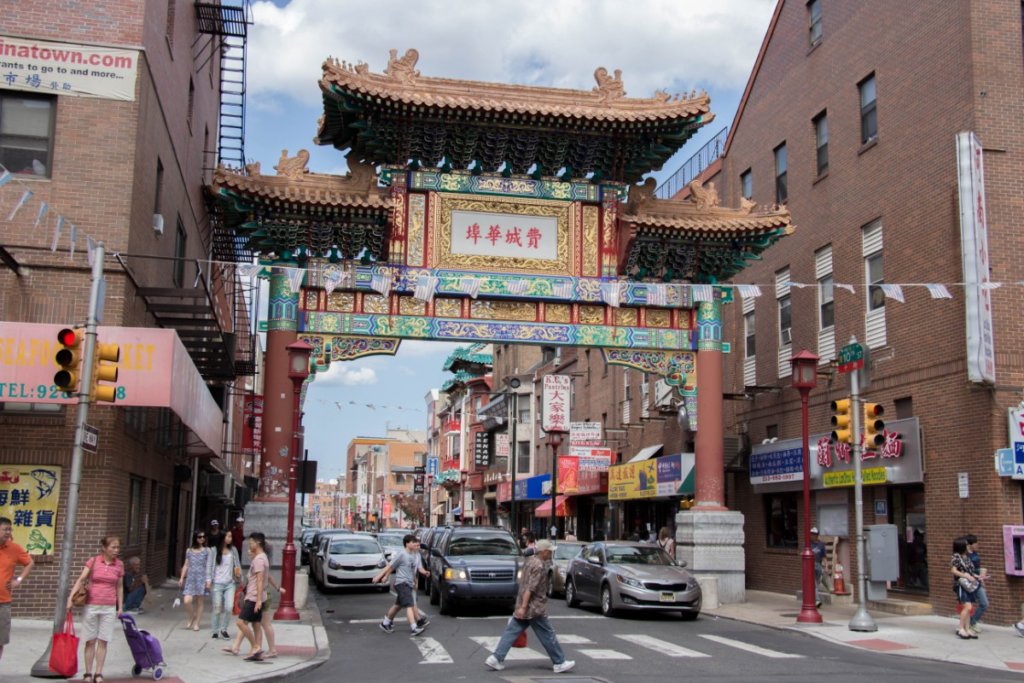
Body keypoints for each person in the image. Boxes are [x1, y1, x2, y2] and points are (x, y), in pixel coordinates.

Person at [485, 539, 575, 674]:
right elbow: (530, 588)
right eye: (549, 551)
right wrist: (524, 606)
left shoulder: (529, 561)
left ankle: (496, 658)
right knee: (547, 634)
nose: (551, 553)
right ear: (544, 552)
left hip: (524, 603)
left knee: (511, 632)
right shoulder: (539, 566)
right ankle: (559, 662)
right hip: (534, 607)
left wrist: (521, 605)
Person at [67, 535, 124, 683]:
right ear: (104, 548)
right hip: (92, 605)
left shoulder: (119, 565)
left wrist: (120, 606)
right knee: (90, 640)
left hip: (109, 606)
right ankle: (88, 673)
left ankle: (98, 673)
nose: (116, 550)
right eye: (113, 547)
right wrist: (70, 598)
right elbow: (81, 579)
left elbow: (119, 586)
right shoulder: (93, 561)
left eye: (118, 547)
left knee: (103, 641)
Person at [373, 533, 430, 635]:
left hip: (409, 583)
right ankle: (414, 627)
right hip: (402, 583)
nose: (415, 544)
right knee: (409, 605)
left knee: (398, 605)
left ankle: (385, 623)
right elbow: (390, 566)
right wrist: (379, 576)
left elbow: (413, 571)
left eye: (415, 543)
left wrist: (415, 581)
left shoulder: (414, 555)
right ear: (407, 543)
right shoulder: (402, 554)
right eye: (413, 542)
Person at [225, 532, 268, 661]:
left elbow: (259, 580)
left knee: (240, 622)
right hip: (257, 596)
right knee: (256, 624)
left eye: (251, 543)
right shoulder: (263, 557)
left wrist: (258, 599)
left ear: (258, 543)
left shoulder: (259, 559)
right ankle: (255, 651)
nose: (249, 546)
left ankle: (255, 647)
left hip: (254, 597)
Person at [0, 516, 33, 662]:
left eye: (10, 529)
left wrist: (18, 580)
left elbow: (30, 563)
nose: (8, 532)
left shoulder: (14, 548)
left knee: (0, 640)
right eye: (5, 529)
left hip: (3, 602)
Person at [207, 529, 242, 639]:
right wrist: (208, 580)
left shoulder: (233, 550)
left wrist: (239, 576)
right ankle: (215, 630)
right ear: (222, 537)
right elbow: (209, 565)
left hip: (230, 583)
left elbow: (237, 564)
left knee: (229, 607)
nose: (229, 539)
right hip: (217, 583)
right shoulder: (214, 550)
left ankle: (224, 629)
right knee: (217, 608)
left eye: (230, 536)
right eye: (227, 536)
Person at [179, 529, 211, 631]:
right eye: (199, 537)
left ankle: (197, 623)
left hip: (201, 578)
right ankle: (192, 616)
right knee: (187, 601)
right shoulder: (189, 551)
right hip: (190, 579)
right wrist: (181, 577)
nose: (202, 539)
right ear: (195, 538)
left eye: (203, 537)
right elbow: (186, 565)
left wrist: (208, 580)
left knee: (200, 602)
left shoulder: (207, 551)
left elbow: (209, 566)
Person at [950, 536, 979, 640]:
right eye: (966, 545)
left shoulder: (966, 557)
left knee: (969, 607)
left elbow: (970, 571)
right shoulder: (956, 557)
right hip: (961, 585)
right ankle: (961, 628)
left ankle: (967, 629)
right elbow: (953, 570)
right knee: (967, 607)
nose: (968, 546)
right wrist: (965, 576)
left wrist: (976, 576)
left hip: (968, 585)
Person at [965, 534, 989, 634]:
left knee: (984, 603)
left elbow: (977, 568)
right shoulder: (965, 555)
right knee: (968, 605)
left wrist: (982, 577)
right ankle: (967, 624)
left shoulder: (975, 553)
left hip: (977, 581)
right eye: (975, 543)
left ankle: (972, 621)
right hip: (969, 582)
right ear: (969, 545)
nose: (977, 545)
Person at [809, 527, 826, 608]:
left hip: (818, 564)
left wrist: (826, 566)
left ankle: (814, 598)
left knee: (816, 582)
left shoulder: (821, 544)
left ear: (817, 535)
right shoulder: (808, 544)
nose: (812, 536)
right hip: (810, 565)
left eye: (814, 534)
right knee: (814, 583)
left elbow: (824, 556)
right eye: (811, 534)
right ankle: (817, 600)